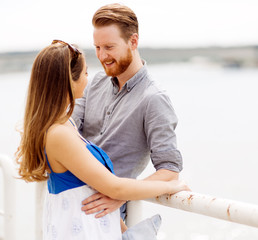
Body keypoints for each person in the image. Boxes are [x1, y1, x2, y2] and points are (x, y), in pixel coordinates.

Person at [15, 40, 189, 239]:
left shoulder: (66, 125)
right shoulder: (58, 134)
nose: (88, 79)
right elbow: (113, 187)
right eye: (85, 73)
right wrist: (171, 185)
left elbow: (89, 188)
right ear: (69, 81)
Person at [72, 3, 183, 220]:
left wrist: (122, 194)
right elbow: (68, 130)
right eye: (97, 47)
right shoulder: (94, 83)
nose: (102, 56)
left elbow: (170, 171)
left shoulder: (154, 99)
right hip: (69, 205)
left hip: (106, 217)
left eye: (109, 47)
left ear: (133, 41)